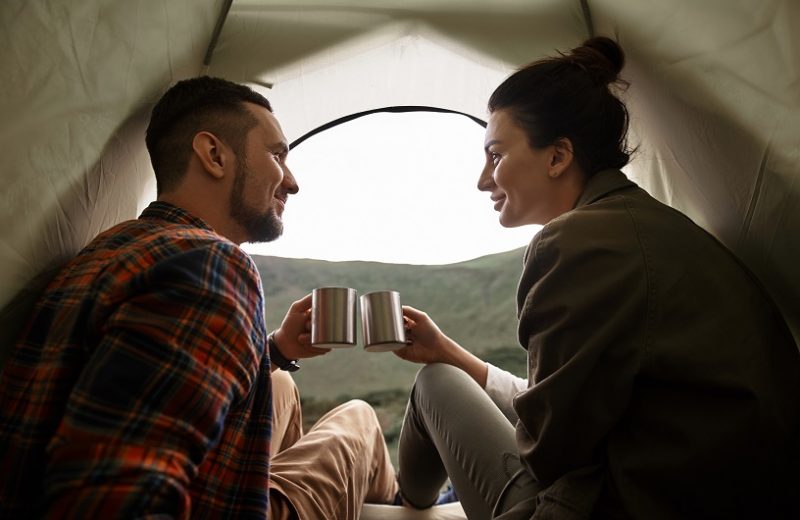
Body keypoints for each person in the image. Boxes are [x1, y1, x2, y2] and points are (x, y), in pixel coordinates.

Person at [393, 37, 800, 519]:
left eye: (496, 155)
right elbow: (575, 414)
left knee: (434, 386)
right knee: (445, 366)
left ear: (558, 156)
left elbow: (548, 451)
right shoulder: (646, 226)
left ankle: (403, 504)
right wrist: (450, 351)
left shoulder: (577, 243)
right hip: (706, 492)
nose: (484, 179)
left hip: (630, 504)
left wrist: (445, 366)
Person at [0, 76, 398, 518]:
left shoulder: (115, 245)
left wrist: (278, 350)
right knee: (358, 419)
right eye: (277, 155)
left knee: (279, 382)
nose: (292, 182)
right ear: (213, 155)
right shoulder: (210, 262)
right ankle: (404, 506)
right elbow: (109, 498)